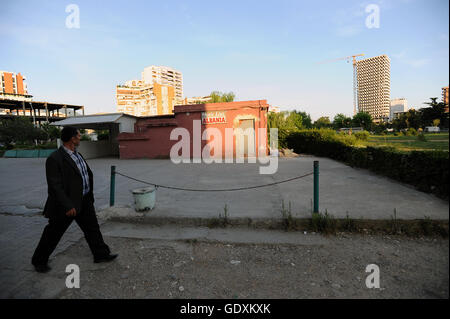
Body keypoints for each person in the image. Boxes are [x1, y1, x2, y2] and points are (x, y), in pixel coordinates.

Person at [32, 126, 117, 273]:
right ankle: (39, 261)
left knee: (92, 228)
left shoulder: (77, 155)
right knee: (53, 233)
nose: (80, 137)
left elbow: (84, 175)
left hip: (84, 200)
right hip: (66, 205)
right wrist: (67, 205)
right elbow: (55, 186)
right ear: (72, 138)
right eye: (78, 135)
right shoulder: (54, 158)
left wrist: (88, 196)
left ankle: (101, 254)